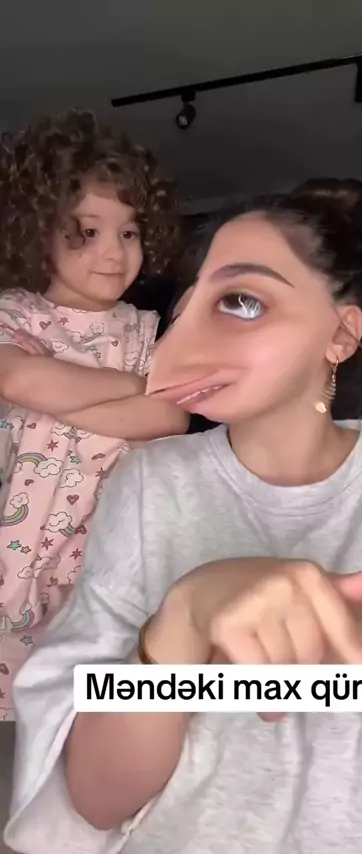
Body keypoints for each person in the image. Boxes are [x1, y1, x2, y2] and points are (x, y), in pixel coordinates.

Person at [5, 180, 362, 854]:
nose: (183, 341)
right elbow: (96, 797)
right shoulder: (148, 485)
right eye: (185, 310)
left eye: (242, 301)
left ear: (341, 335)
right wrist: (183, 622)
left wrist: (355, 635)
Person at [0, 109, 188, 722]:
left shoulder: (146, 330)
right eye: (87, 231)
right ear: (39, 231)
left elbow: (171, 418)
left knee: (105, 701)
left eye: (129, 233)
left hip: (113, 548)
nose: (113, 252)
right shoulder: (15, 314)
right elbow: (20, 379)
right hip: (18, 547)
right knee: (27, 710)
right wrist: (135, 389)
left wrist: (71, 398)